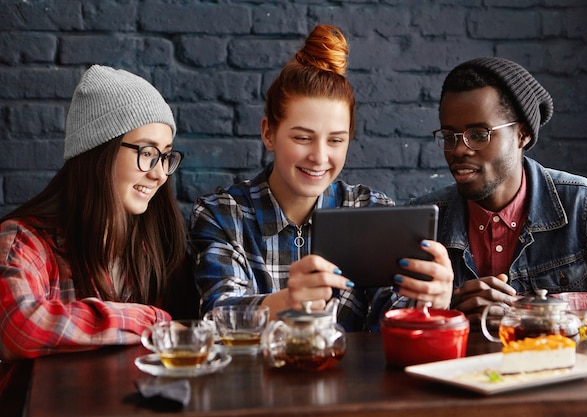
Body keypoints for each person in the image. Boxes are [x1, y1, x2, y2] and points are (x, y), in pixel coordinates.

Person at [190, 25, 453, 332]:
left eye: (336, 141)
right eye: (303, 138)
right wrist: (287, 302)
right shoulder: (222, 215)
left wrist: (431, 302)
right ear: (268, 133)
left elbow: (394, 319)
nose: (319, 157)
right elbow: (216, 316)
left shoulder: (370, 209)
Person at [409, 57, 587, 325]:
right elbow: (388, 313)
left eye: (478, 134)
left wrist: (537, 310)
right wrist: (449, 310)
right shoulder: (424, 221)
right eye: (449, 136)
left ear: (522, 134)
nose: (459, 149)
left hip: (563, 366)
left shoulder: (583, 204)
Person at [0, 65, 196, 360]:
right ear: (98, 152)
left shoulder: (150, 244)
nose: (160, 174)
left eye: (166, 156)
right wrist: (153, 322)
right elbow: (22, 328)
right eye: (147, 153)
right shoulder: (23, 241)